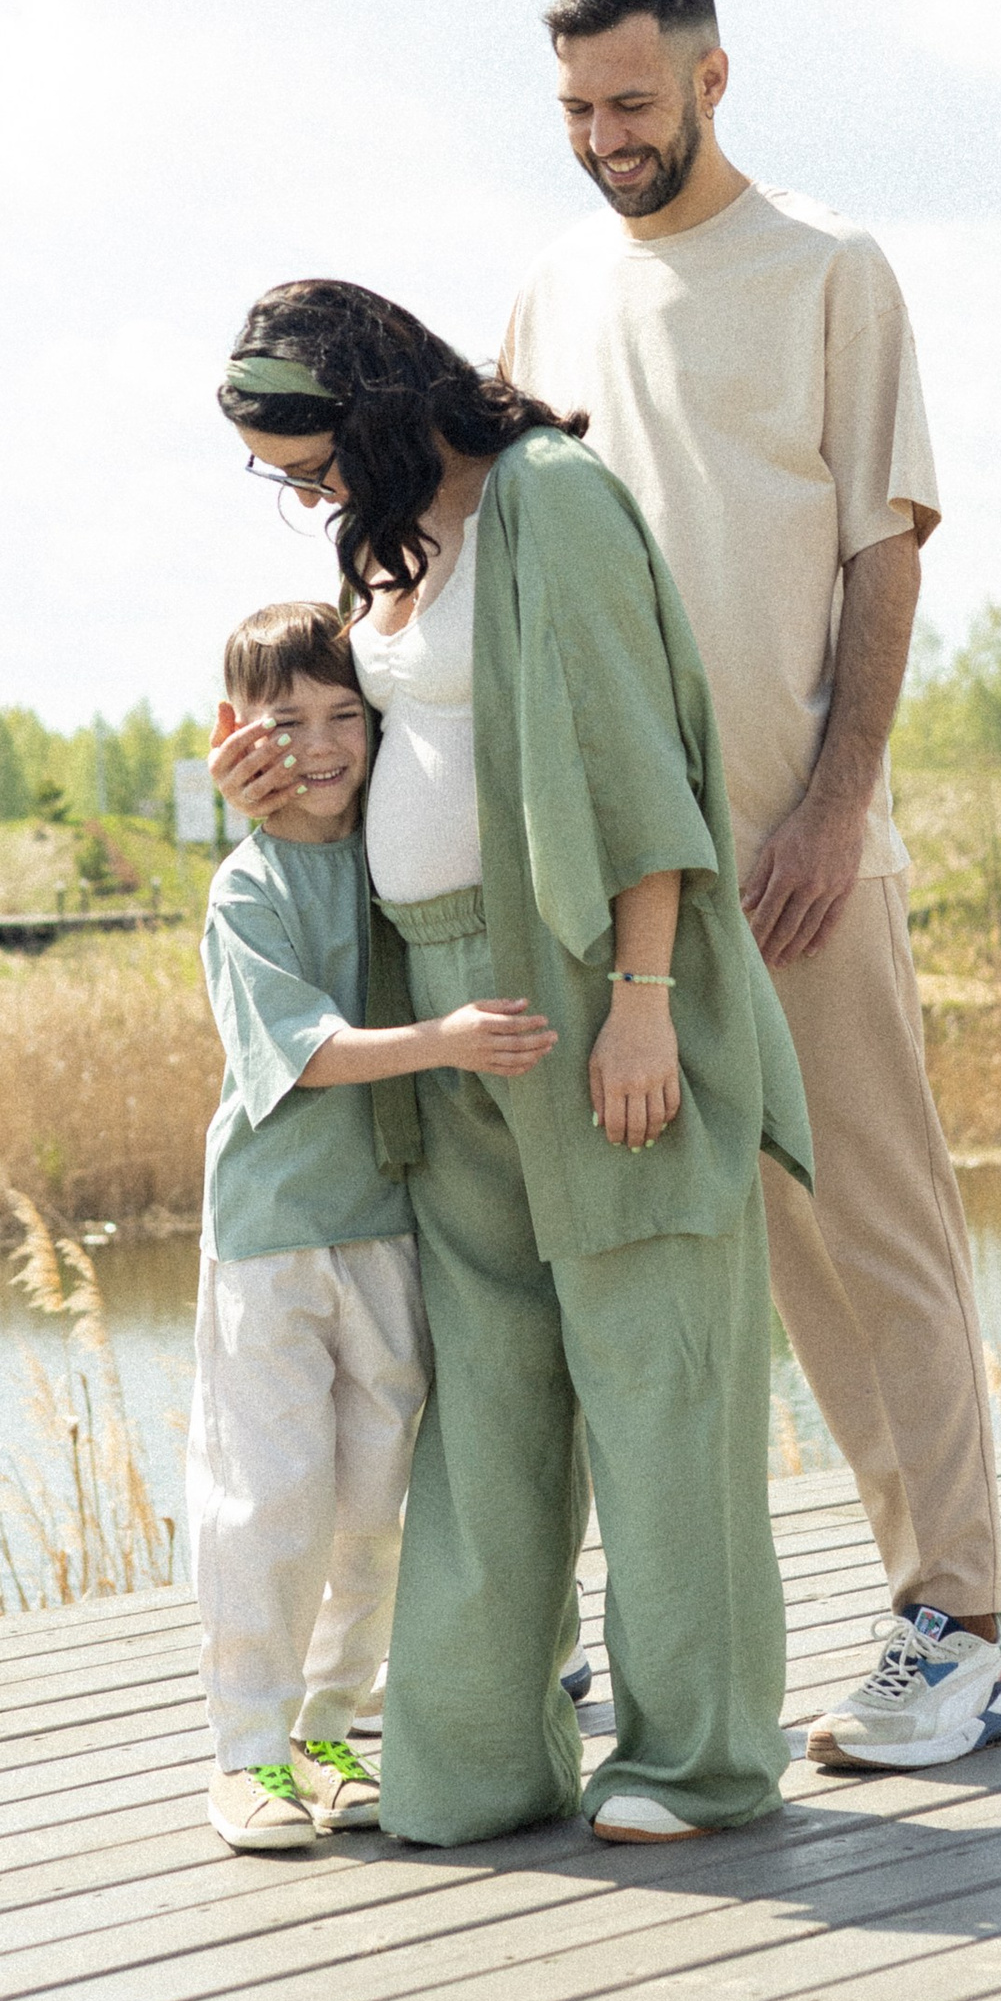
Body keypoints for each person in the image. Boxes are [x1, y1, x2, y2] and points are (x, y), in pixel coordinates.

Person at [503, 0, 1001, 1774]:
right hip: (608, 875)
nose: (602, 137)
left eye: (631, 102)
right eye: (574, 107)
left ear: (713, 80)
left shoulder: (826, 269)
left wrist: (832, 803)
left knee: (868, 1241)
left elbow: (889, 548)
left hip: (796, 859)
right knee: (605, 1252)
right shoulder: (555, 287)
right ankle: (598, 1642)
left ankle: (956, 1624)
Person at [214, 284, 812, 1849]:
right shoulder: (403, 545)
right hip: (447, 1032)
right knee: (484, 1410)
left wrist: (641, 997)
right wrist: (275, 800)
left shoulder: (552, 501)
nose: (312, 498)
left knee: (658, 1388)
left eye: (312, 461)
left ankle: (696, 1763)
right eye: (286, 482)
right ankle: (477, 1765)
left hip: (589, 1001)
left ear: (375, 402)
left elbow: (642, 763)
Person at [189, 595, 554, 1855]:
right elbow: (308, 1053)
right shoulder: (245, 891)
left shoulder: (388, 849)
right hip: (277, 1239)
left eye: (348, 713)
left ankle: (333, 1730)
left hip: (387, 1228)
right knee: (271, 1498)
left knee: (375, 1499)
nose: (326, 742)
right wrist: (447, 1044)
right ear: (237, 735)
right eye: (288, 721)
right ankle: (246, 1751)